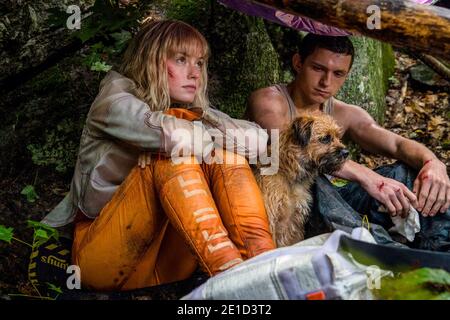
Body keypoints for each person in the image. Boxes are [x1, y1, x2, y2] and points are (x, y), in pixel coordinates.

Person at [42, 19, 275, 291]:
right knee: (174, 155)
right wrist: (201, 135)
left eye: (199, 63)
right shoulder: (115, 99)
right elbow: (175, 136)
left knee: (227, 157)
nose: (195, 73)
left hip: (171, 263)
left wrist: (205, 128)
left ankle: (263, 263)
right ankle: (231, 274)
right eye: (181, 60)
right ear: (151, 60)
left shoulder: (187, 107)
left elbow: (259, 142)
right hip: (105, 258)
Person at [247, 34, 450, 251]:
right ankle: (390, 258)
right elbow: (289, 146)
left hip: (334, 206)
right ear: (298, 63)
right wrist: (370, 178)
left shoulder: (344, 113)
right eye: (318, 68)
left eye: (338, 74)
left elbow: (397, 145)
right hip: (289, 208)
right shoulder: (269, 101)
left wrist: (433, 163)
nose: (326, 82)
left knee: (408, 173)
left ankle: (440, 254)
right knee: (315, 177)